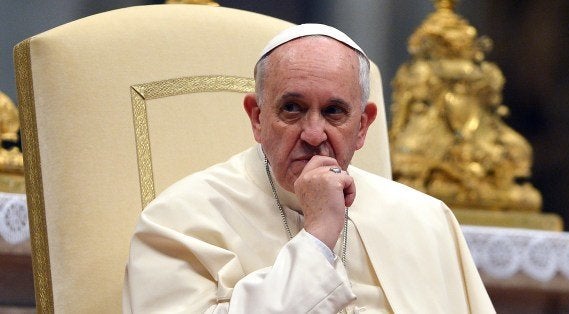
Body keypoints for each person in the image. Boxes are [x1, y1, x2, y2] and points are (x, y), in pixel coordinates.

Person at [123, 23, 495, 313]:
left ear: (363, 125)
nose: (314, 134)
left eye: (334, 112)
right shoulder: (179, 221)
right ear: (257, 118)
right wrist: (317, 238)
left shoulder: (426, 220)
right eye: (292, 109)